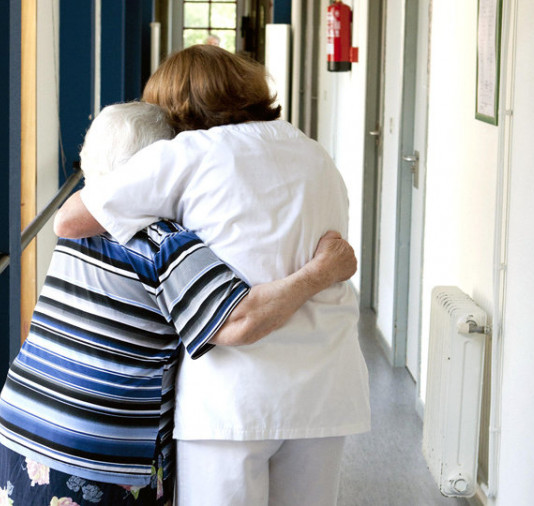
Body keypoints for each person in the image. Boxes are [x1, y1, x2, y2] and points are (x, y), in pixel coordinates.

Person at [0, 102, 358, 506]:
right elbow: (239, 322)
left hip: (23, 422)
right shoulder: (160, 243)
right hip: (97, 449)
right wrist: (322, 270)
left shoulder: (77, 235)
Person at [54, 45, 371, 505]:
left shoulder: (190, 153)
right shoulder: (314, 153)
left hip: (232, 398)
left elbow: (71, 220)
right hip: (325, 391)